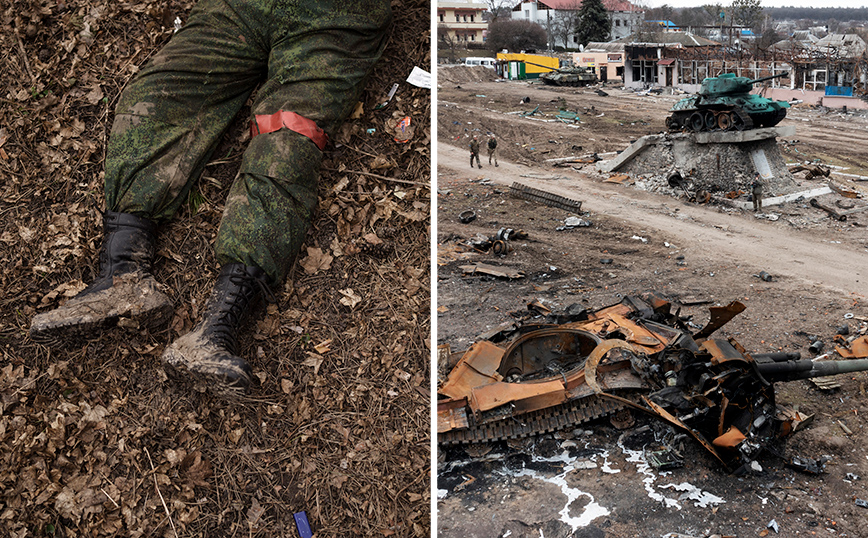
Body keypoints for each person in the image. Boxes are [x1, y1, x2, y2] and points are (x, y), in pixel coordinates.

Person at [29, 0, 392, 395]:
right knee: (155, 96)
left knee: (286, 143)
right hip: (242, 7)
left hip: (334, 19)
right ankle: (122, 274)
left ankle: (216, 331)